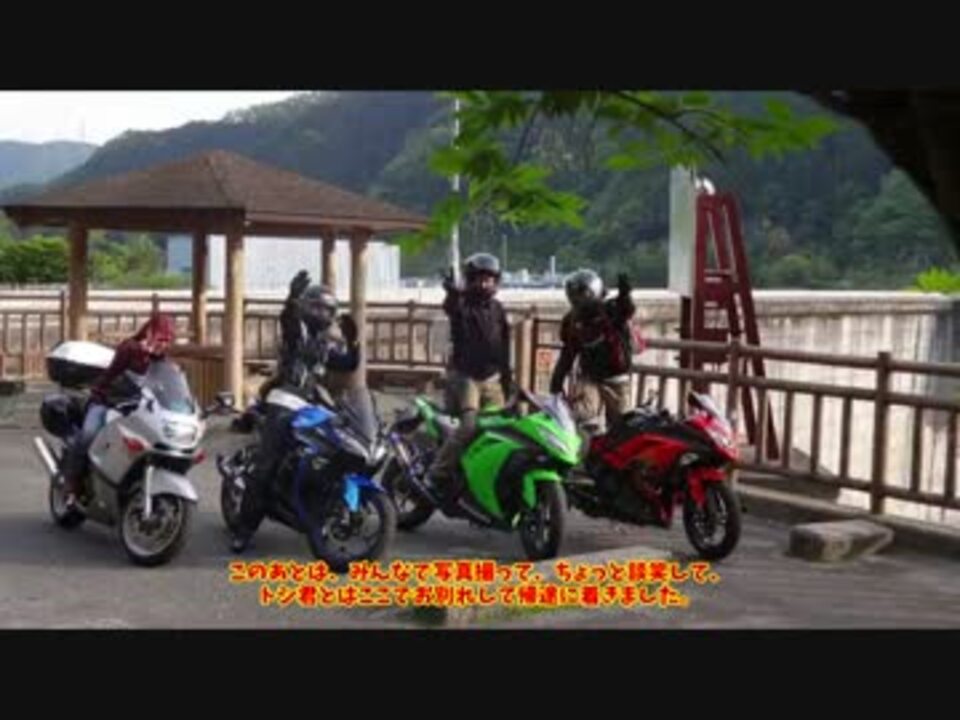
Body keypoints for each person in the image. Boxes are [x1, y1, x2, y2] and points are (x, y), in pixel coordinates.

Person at [230, 270, 360, 553]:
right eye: (316, 307)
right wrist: (291, 299)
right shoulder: (297, 333)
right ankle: (244, 529)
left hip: (313, 404)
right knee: (266, 466)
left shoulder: (326, 344)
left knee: (335, 447)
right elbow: (287, 321)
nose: (322, 314)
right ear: (306, 308)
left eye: (327, 310)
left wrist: (354, 341)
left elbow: (348, 364)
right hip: (285, 399)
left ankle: (313, 504)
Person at [62, 311, 176, 508]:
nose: (163, 344)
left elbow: (165, 385)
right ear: (149, 332)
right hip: (106, 401)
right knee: (89, 435)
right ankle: (71, 483)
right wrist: (141, 355)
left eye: (167, 341)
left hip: (134, 409)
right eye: (160, 339)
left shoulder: (160, 360)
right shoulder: (129, 348)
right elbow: (112, 375)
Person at [426, 252, 514, 510]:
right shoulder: (462, 304)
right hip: (465, 377)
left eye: (490, 279)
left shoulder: (498, 309)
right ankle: (437, 472)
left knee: (503, 428)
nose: (485, 284)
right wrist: (452, 292)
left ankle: (484, 478)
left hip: (492, 378)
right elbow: (451, 308)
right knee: (469, 425)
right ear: (470, 280)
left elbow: (505, 347)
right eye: (479, 279)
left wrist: (509, 382)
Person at [549, 269, 641, 430]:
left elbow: (627, 310)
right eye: (574, 295)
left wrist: (625, 295)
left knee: (621, 425)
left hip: (616, 376)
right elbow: (568, 353)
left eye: (582, 294)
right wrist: (556, 382)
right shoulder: (572, 320)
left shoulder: (610, 309)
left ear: (594, 291)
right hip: (590, 376)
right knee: (585, 415)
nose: (578, 299)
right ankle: (586, 442)